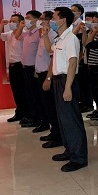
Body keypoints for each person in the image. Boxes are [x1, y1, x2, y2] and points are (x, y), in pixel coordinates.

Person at [45, 7, 88, 172]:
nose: (52, 21)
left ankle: (79, 157)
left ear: (63, 20)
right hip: (58, 81)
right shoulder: (59, 39)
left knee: (71, 120)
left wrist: (68, 87)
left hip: (66, 81)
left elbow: (72, 63)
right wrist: (45, 34)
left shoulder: (71, 39)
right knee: (63, 119)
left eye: (54, 17)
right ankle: (69, 150)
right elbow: (49, 50)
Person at [35, 11, 63, 149]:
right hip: (41, 73)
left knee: (52, 107)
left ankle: (58, 135)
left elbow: (52, 57)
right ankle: (54, 132)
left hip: (49, 75)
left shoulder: (52, 35)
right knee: (47, 106)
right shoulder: (44, 34)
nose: (40, 21)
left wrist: (48, 78)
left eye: (42, 19)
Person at [18, 10, 49, 131]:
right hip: (26, 67)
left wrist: (36, 68)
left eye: (28, 18)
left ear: (36, 20)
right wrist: (21, 27)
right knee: (30, 95)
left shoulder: (39, 33)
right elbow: (17, 36)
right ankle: (35, 117)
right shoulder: (27, 33)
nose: (25, 20)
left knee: (37, 96)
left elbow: (40, 53)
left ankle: (42, 119)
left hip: (35, 68)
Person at [0, 14, 29, 123]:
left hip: (21, 65)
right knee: (16, 91)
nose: (11, 23)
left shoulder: (24, 34)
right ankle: (19, 112)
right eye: (10, 21)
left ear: (20, 22)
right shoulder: (9, 34)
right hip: (12, 65)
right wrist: (1, 25)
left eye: (14, 21)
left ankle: (27, 113)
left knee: (23, 91)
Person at [82, 13, 98, 125]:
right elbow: (87, 44)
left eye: (96, 22)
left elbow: (89, 45)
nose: (94, 24)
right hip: (92, 68)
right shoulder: (96, 35)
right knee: (96, 95)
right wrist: (92, 33)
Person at [71, 3, 93, 113]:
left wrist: (80, 57)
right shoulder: (71, 25)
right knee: (79, 82)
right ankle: (82, 102)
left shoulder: (82, 25)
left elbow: (82, 44)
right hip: (74, 57)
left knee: (84, 83)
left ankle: (88, 104)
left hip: (81, 58)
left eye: (73, 10)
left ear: (79, 13)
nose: (71, 12)